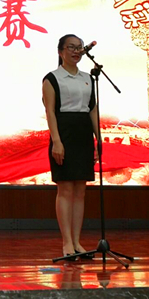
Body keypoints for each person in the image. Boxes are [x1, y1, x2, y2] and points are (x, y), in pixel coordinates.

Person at [42, 34, 99, 260]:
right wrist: (57, 141)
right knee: (65, 189)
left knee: (80, 190)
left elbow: (92, 109)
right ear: (60, 51)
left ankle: (77, 242)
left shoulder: (88, 78)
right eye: (71, 47)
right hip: (64, 132)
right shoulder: (52, 78)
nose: (76, 51)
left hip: (83, 132)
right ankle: (66, 242)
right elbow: (50, 111)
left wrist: (98, 139)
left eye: (79, 48)